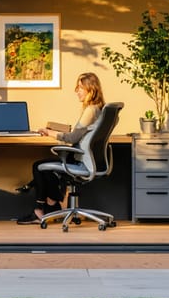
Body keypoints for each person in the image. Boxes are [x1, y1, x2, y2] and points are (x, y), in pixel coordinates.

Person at [15, 72, 105, 225]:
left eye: (80, 88)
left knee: (39, 167)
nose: (76, 91)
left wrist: (49, 132)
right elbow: (78, 135)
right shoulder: (99, 109)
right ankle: (52, 204)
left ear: (91, 89)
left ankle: (39, 211)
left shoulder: (90, 110)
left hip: (81, 160)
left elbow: (72, 138)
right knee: (47, 169)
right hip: (89, 159)